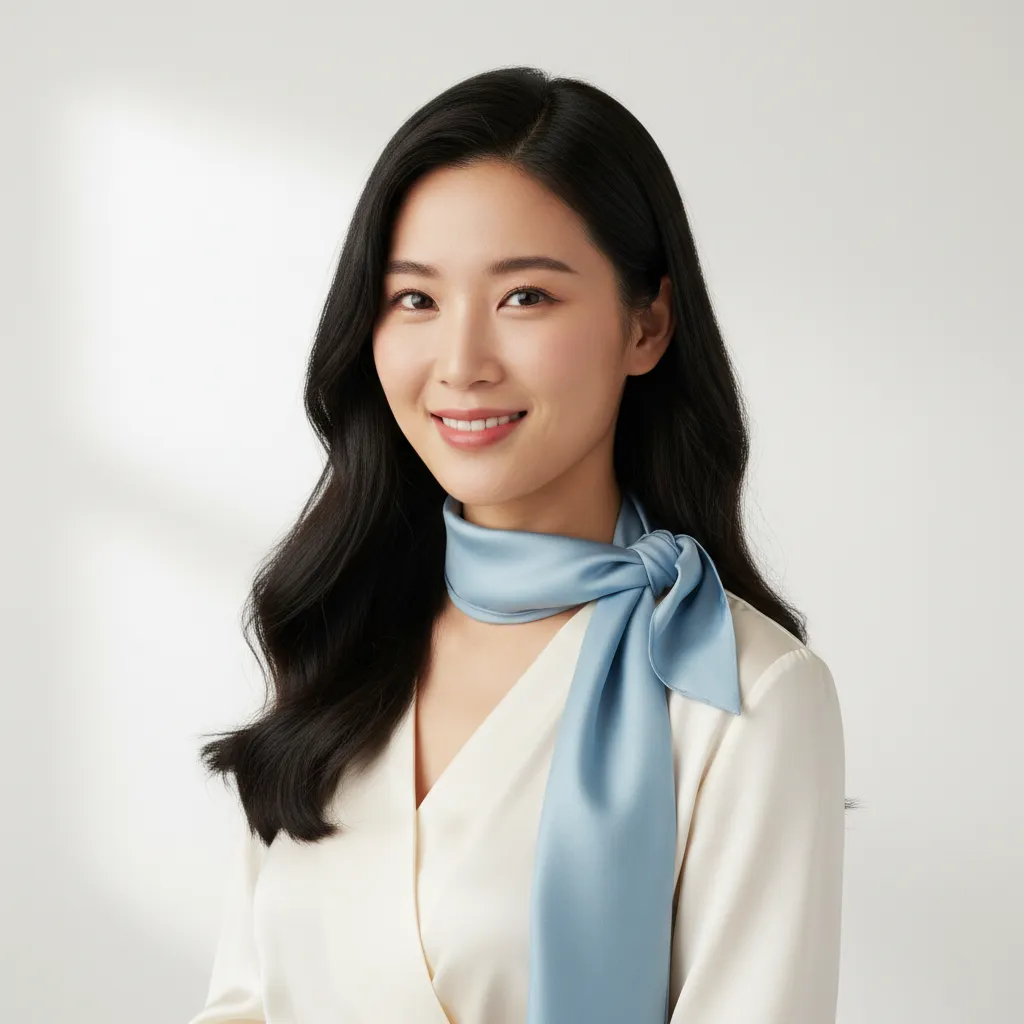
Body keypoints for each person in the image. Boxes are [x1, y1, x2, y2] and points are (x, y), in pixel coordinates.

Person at [187, 65, 846, 1024]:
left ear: (647, 324)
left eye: (525, 297)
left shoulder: (740, 693)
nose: (461, 364)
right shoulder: (342, 633)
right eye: (415, 300)